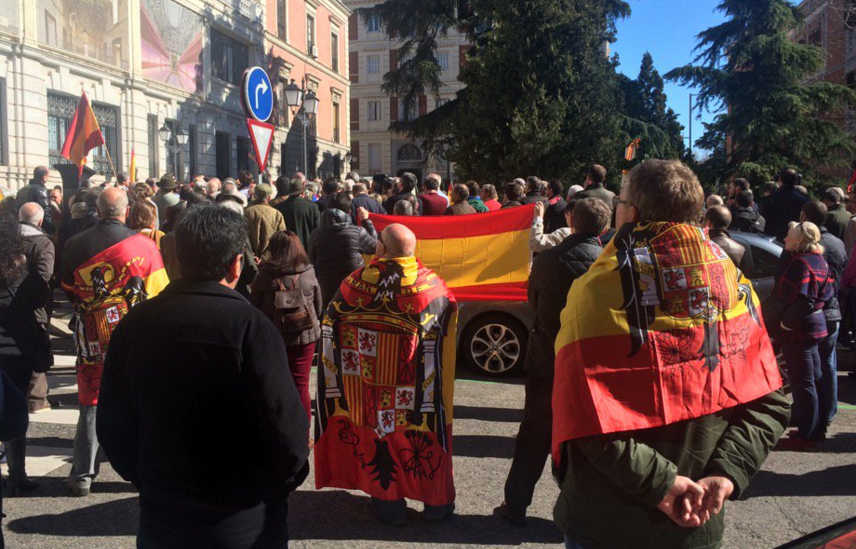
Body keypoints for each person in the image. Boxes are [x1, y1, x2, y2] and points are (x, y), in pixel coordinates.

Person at [552, 159, 789, 548]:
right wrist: (725, 474)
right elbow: (771, 403)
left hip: (606, 522)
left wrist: (663, 485)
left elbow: (583, 412)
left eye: (621, 201)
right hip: (697, 518)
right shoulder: (735, 290)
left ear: (633, 212)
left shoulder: (597, 291)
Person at [97, 206, 308, 548]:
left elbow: (112, 422)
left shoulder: (135, 324)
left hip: (164, 509)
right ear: (236, 264)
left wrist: (147, 478)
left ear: (176, 260)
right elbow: (284, 424)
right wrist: (278, 483)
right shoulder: (250, 326)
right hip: (241, 512)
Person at [314, 223, 458, 525]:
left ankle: (389, 505)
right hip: (416, 388)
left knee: (380, 440)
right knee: (422, 441)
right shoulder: (432, 287)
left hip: (365, 386)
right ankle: (435, 505)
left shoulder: (354, 283)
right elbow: (447, 329)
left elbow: (331, 320)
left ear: (380, 248)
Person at [495, 198, 609, 526]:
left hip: (548, 357)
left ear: (571, 220)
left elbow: (533, 300)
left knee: (533, 434)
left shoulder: (548, 260)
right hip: (588, 363)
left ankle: (515, 505)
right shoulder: (608, 263)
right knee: (582, 439)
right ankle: (577, 511)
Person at [61, 187, 169, 496]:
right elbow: (160, 291)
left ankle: (82, 474)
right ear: (125, 211)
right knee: (140, 401)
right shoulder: (144, 246)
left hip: (91, 336)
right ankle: (142, 469)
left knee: (90, 402)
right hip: (135, 335)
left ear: (98, 208)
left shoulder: (73, 244)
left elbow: (66, 287)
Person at [773, 221, 834, 449]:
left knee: (804, 382)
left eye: (789, 234)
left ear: (799, 239)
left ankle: (808, 434)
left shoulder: (801, 264)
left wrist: (785, 324)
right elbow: (826, 294)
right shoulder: (819, 260)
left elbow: (802, 300)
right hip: (815, 326)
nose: (786, 237)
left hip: (800, 330)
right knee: (814, 379)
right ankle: (815, 430)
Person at [250, 231, 322, 418]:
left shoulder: (265, 275)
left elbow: (254, 305)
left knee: (275, 383)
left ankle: (280, 425)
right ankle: (303, 431)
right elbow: (318, 304)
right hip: (304, 335)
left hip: (273, 337)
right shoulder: (308, 271)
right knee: (301, 384)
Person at [0, 212, 47, 495]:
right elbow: (40, 297)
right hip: (16, 350)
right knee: (15, 413)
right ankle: (18, 474)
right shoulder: (19, 268)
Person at [800, 201, 846, 439]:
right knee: (828, 366)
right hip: (835, 309)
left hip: (820, 313)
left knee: (815, 371)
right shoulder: (837, 242)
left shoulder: (812, 248)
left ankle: (816, 421)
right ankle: (828, 413)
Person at [18, 203, 55, 414]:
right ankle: (36, 399)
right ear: (40, 222)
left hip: (8, 305)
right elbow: (44, 276)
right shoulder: (43, 243)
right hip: (34, 307)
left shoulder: (8, 239)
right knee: (35, 348)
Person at [309, 195, 378, 308]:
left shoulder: (316, 234)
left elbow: (312, 260)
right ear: (349, 212)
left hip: (326, 287)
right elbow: (374, 247)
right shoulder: (357, 232)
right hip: (353, 286)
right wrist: (366, 220)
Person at [274, 177, 320, 252]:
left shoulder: (280, 207)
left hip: (288, 249)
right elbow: (317, 229)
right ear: (302, 192)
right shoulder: (312, 207)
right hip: (307, 249)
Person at [704, 206, 754, 274]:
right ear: (728, 223)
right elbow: (747, 276)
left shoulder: (702, 246)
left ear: (708, 223)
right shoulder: (742, 249)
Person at [245, 184, 287, 261]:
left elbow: (243, 237)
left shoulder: (247, 212)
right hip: (271, 260)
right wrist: (265, 257)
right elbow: (281, 239)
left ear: (255, 196)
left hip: (251, 260)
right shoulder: (276, 214)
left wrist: (252, 256)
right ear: (269, 197)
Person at [764, 169, 810, 240]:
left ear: (780, 179)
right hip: (791, 238)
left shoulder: (773, 196)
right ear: (796, 181)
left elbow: (764, 214)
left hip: (770, 236)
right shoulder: (803, 200)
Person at [16, 166, 54, 235]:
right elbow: (46, 211)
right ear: (44, 177)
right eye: (48, 176)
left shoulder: (22, 189)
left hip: (21, 227)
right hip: (36, 228)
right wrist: (51, 230)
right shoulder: (41, 190)